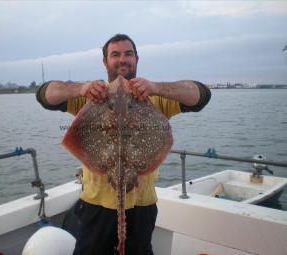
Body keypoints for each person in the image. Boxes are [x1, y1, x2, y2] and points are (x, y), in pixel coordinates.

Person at [36, 34, 211, 255]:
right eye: (115, 54)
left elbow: (201, 95)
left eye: (128, 54)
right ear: (105, 62)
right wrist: (80, 89)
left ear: (137, 59)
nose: (122, 59)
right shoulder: (91, 96)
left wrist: (155, 87)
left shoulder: (154, 98)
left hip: (142, 208)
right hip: (95, 207)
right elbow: (44, 94)